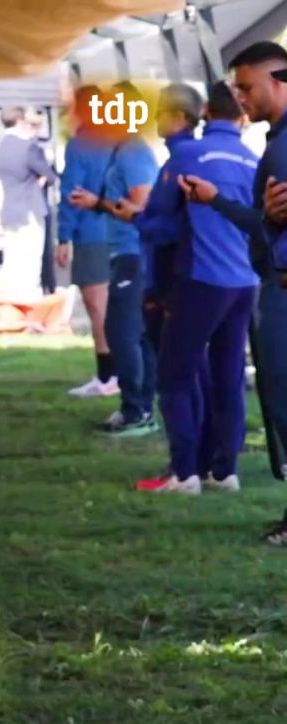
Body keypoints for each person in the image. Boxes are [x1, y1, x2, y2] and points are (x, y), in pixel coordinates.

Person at [130, 82, 257, 494]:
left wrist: (134, 217)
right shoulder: (253, 159)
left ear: (202, 113)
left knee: (176, 375)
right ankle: (224, 470)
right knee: (228, 374)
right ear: (240, 115)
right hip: (245, 282)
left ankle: (184, 472)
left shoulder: (189, 156)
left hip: (201, 279)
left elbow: (161, 225)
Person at [189, 41, 287, 542]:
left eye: (247, 87)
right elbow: (267, 223)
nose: (241, 98)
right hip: (265, 284)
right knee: (274, 400)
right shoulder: (270, 145)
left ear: (279, 79)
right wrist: (229, 205)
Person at [68, 83, 160, 437]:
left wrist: (98, 203)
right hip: (126, 252)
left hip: (134, 253)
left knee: (123, 334)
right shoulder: (123, 150)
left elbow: (142, 206)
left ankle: (136, 410)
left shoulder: (133, 153)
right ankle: (140, 408)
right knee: (133, 334)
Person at [57, 86, 120, 398]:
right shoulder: (122, 142)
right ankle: (122, 374)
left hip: (92, 235)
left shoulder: (80, 145)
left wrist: (63, 236)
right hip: (123, 233)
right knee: (119, 308)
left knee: (99, 310)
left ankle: (108, 375)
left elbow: (72, 191)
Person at [0, 107, 57, 300]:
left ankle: (14, 304)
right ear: (21, 120)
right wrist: (39, 182)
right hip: (30, 210)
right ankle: (30, 304)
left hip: (9, 211)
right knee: (31, 262)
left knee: (14, 262)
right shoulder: (28, 147)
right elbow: (50, 175)